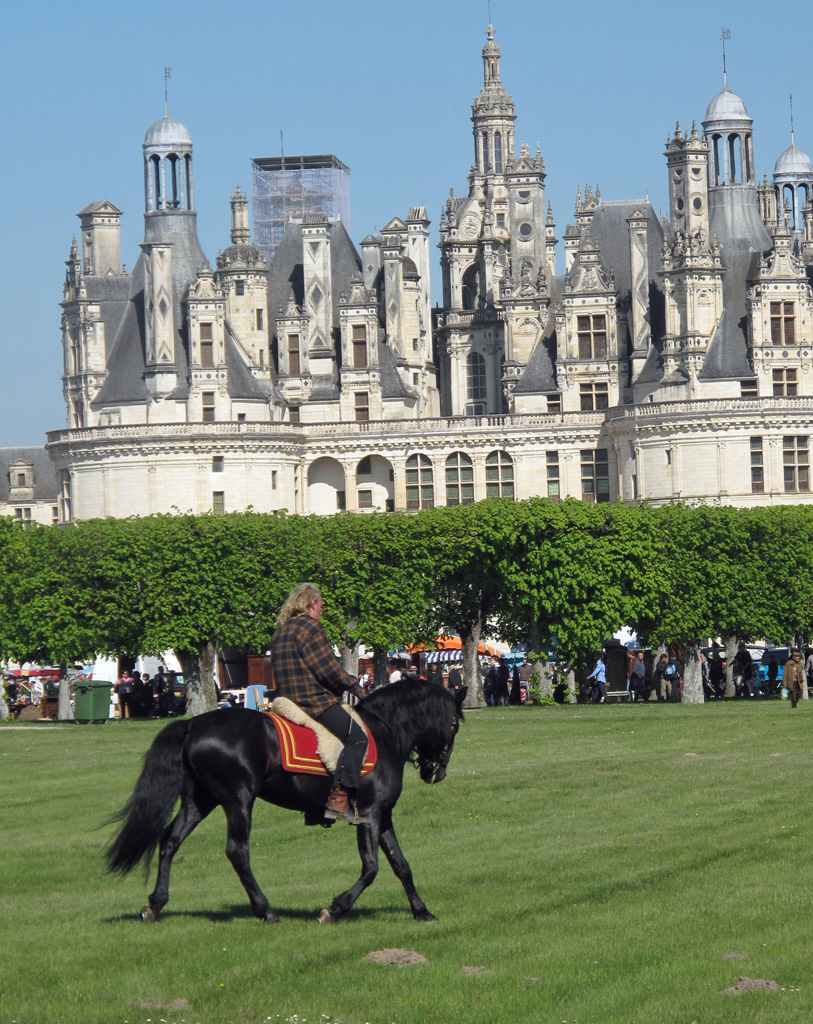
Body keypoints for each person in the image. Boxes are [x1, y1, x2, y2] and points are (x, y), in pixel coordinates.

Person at [271, 583, 366, 823]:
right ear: (312, 603)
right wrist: (354, 684)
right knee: (357, 738)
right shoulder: (310, 627)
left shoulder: (280, 631)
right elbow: (328, 670)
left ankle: (314, 806)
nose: (321, 611)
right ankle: (340, 800)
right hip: (313, 702)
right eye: (320, 606)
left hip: (286, 702)